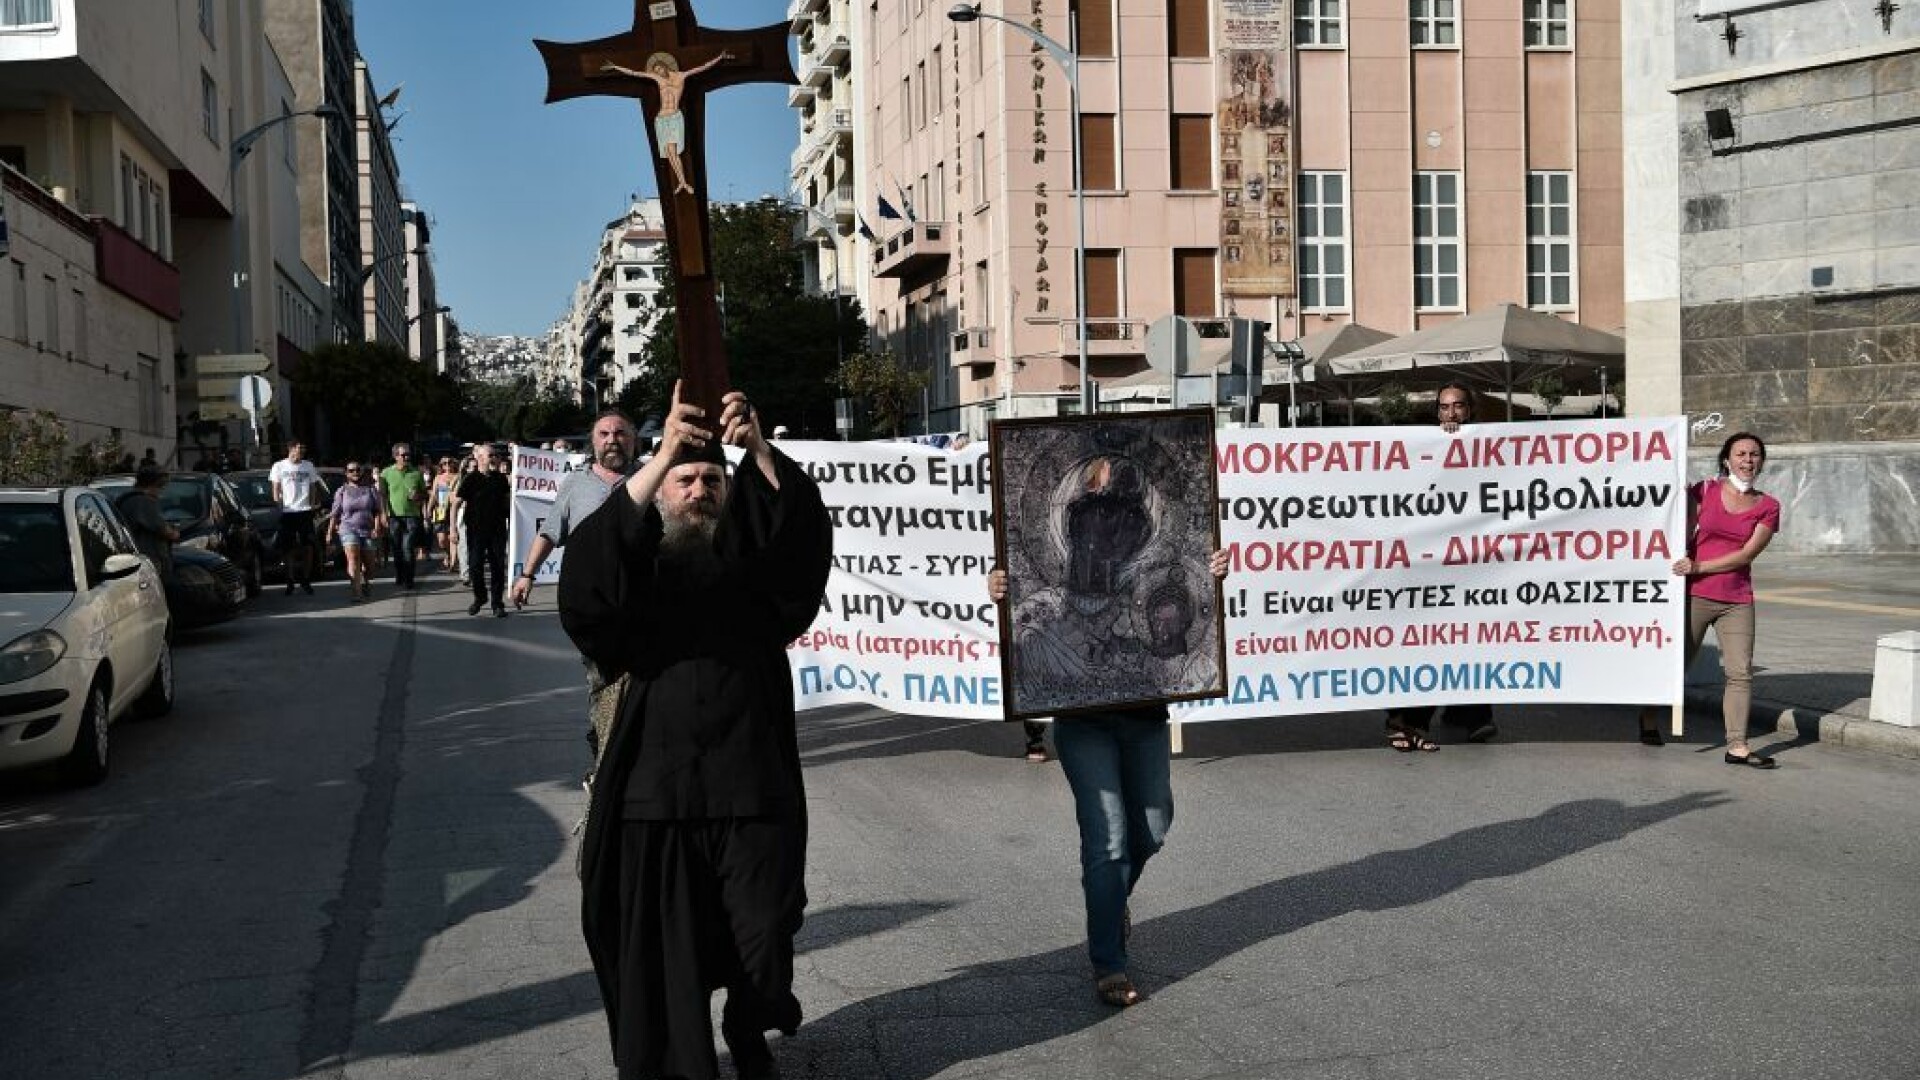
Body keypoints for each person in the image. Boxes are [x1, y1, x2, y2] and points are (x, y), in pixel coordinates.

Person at [558, 380, 832, 1080]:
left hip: (752, 788)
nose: (699, 490)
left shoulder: (754, 575)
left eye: (713, 479)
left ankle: (748, 1024)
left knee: (764, 937)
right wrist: (662, 455)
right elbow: (585, 593)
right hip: (660, 798)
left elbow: (802, 552)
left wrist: (760, 451)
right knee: (668, 958)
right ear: (660, 489)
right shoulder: (638, 571)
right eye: (685, 479)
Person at [987, 548, 1230, 1009]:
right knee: (1109, 839)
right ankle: (1108, 961)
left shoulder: (1154, 566)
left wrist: (1209, 563)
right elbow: (1026, 606)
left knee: (1153, 826)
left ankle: (1110, 899)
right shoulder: (1060, 583)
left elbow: (1189, 577)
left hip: (1144, 711)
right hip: (1083, 720)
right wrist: (1002, 587)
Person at [1647, 432, 1782, 766]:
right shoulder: (1704, 490)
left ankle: (1737, 745)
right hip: (1694, 594)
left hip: (1737, 600)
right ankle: (1648, 717)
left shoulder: (1768, 506)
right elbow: (1674, 524)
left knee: (1740, 673)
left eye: (1754, 454)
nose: (1748, 460)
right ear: (1727, 459)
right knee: (1674, 665)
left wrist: (1700, 565)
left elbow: (1746, 554)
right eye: (1741, 454)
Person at [1384, 382, 1497, 751]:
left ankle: (1472, 714)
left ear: (1471, 410)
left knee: (1471, 640)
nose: (1452, 414)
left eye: (1459, 406)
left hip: (1472, 565)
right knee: (1428, 642)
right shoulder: (1422, 447)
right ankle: (1409, 719)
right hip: (1428, 567)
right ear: (1436, 412)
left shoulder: (1491, 445)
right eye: (1445, 408)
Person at [599, 51, 733, 195]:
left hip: (675, 117)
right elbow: (635, 73)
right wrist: (616, 67)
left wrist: (720, 57)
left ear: (665, 67)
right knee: (670, 153)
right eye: (656, 71)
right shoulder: (658, 79)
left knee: (674, 151)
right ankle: (682, 182)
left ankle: (683, 183)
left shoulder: (682, 76)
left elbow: (703, 67)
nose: (658, 73)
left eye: (659, 70)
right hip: (662, 119)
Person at [452, 444, 512, 617]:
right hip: (476, 530)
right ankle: (480, 597)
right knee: (475, 566)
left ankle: (497, 604)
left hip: (497, 530)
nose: (493, 458)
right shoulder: (470, 479)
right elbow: (455, 504)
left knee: (498, 567)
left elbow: (507, 501)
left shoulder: (500, 479)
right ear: (479, 458)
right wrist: (453, 529)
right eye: (490, 455)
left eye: (494, 455)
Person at [326, 462, 386, 602]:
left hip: (368, 529)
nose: (355, 472)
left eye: (358, 470)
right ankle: (356, 592)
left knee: (370, 567)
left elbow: (377, 511)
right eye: (351, 470)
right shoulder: (342, 491)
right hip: (348, 528)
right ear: (346, 473)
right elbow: (334, 513)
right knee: (353, 559)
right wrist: (329, 533)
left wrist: (377, 527)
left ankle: (365, 580)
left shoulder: (370, 490)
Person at [269, 440, 322, 596]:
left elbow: (313, 486)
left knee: (308, 546)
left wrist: (312, 505)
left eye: (303, 448)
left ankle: (305, 579)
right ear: (291, 449)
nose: (302, 451)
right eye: (300, 448)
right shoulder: (279, 466)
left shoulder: (308, 466)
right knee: (288, 548)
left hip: (304, 511)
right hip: (288, 511)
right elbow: (275, 488)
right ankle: (290, 580)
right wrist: (279, 503)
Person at [377, 442, 429, 590]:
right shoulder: (386, 473)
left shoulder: (416, 473)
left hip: (412, 516)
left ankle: (409, 578)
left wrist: (418, 495)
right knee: (397, 549)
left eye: (408, 454)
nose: (406, 457)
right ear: (395, 456)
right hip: (394, 517)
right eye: (403, 455)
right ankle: (400, 574)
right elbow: (382, 495)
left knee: (407, 547)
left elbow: (425, 494)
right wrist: (383, 513)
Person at [117, 463, 179, 581]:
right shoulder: (143, 502)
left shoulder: (126, 499)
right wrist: (175, 532)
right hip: (149, 561)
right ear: (154, 484)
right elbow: (165, 530)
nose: (162, 491)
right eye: (162, 486)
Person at [430, 457, 459, 570]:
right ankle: (448, 554)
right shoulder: (438, 478)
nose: (447, 464)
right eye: (444, 463)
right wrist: (429, 509)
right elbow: (433, 494)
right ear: (441, 465)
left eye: (450, 462)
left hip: (453, 508)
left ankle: (453, 562)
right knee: (441, 540)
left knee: (452, 536)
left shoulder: (458, 476)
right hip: (440, 509)